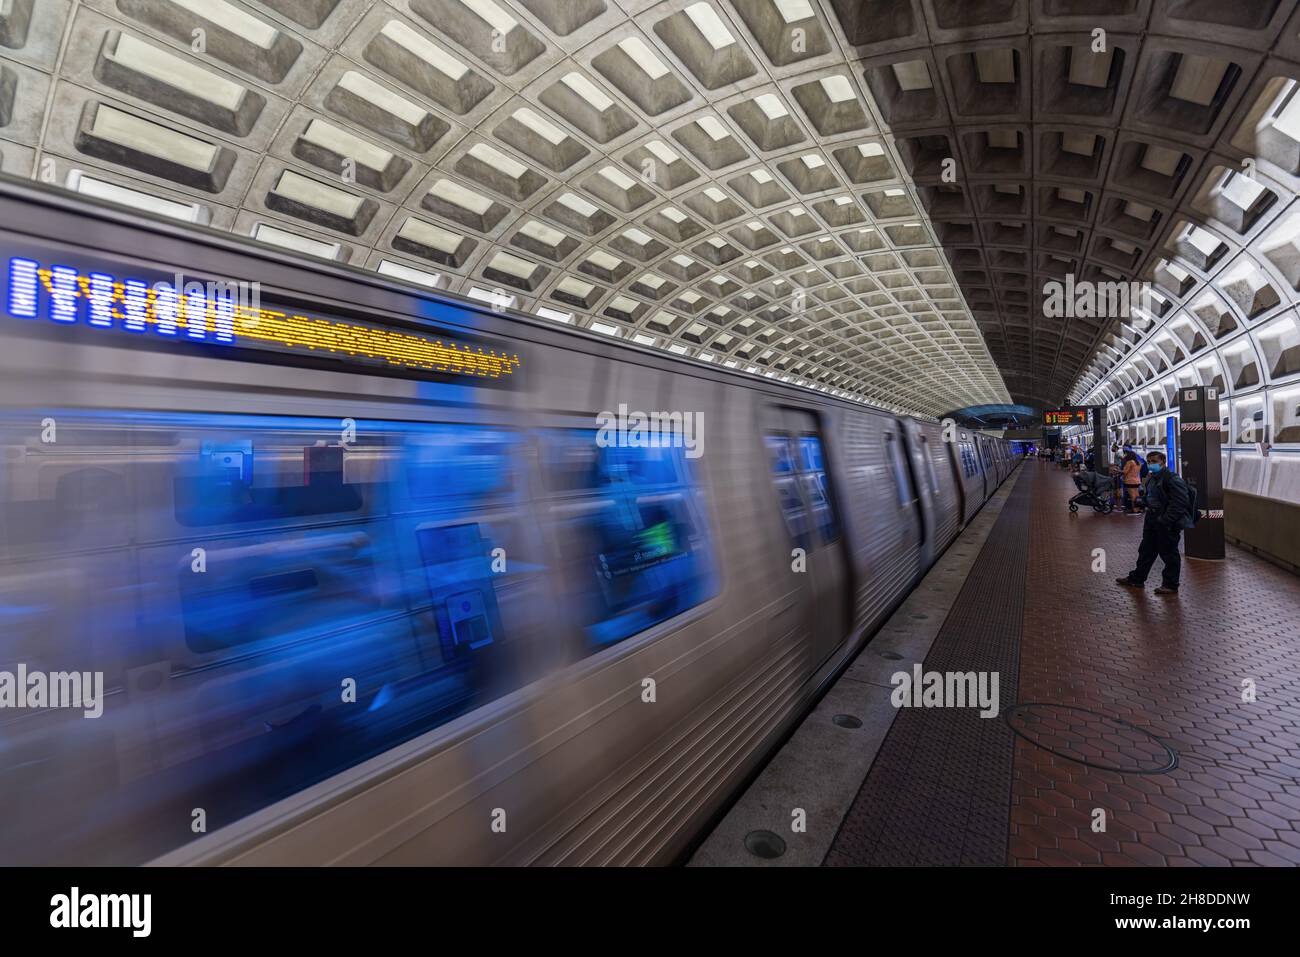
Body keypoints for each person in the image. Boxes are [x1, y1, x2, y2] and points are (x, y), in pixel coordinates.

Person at [1116, 451, 1194, 595]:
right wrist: (1143, 501)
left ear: (1163, 462)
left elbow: (1180, 502)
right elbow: (1153, 497)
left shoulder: (1172, 479)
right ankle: (1137, 578)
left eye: (1154, 461)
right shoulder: (1153, 478)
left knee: (1169, 554)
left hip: (1165, 523)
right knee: (1146, 551)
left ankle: (1170, 585)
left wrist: (1166, 520)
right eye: (1149, 461)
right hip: (1152, 520)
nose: (1151, 464)